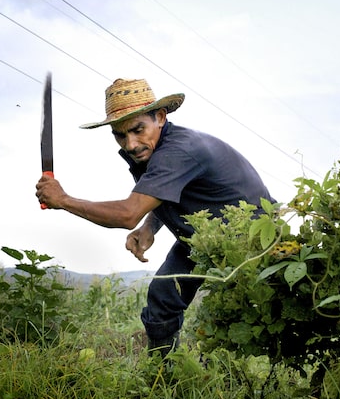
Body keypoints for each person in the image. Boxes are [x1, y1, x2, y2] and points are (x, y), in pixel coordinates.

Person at [35, 78, 275, 356]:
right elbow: (168, 192)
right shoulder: (154, 150)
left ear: (160, 117)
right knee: (163, 297)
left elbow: (127, 214)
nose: (131, 144)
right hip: (201, 239)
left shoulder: (178, 151)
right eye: (120, 135)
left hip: (250, 237)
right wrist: (151, 226)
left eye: (138, 130)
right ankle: (163, 377)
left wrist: (63, 200)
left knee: (248, 312)